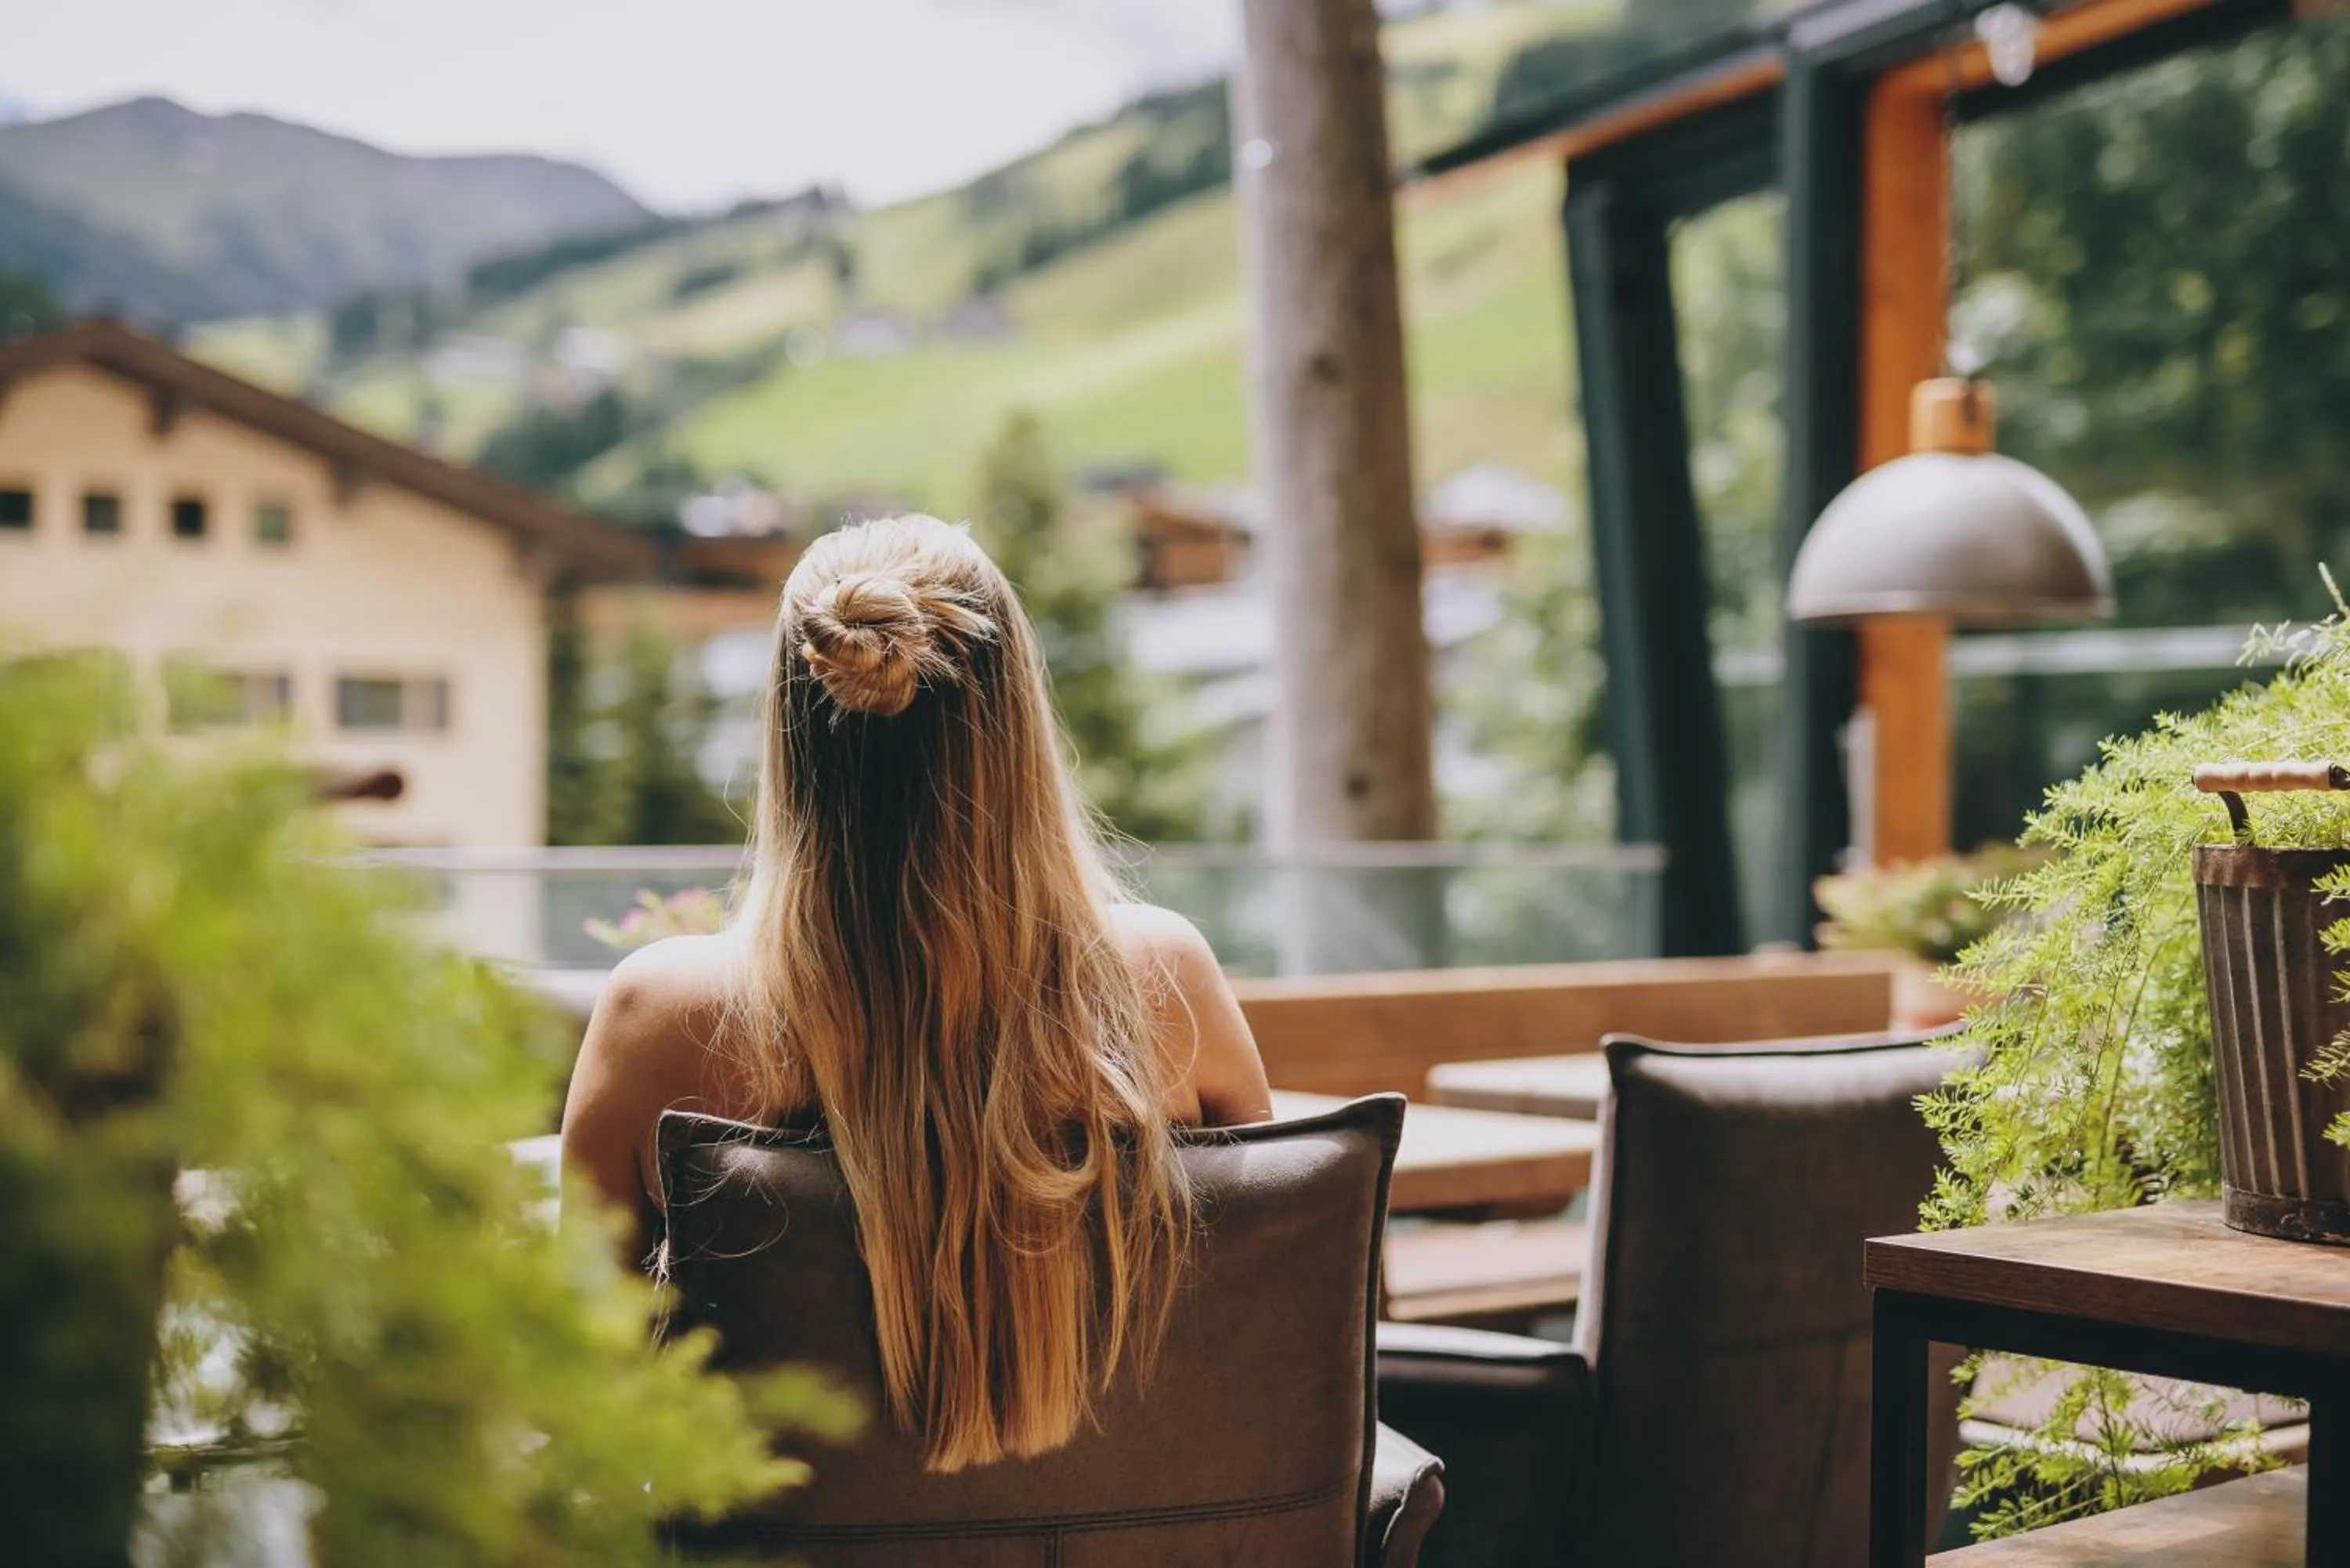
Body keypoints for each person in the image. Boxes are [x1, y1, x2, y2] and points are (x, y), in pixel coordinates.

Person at [562, 512, 1273, 1472]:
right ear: (1017, 726)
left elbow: (585, 1371)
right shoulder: (1167, 980)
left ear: (789, 736)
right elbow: (1259, 1312)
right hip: (1141, 1533)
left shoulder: (660, 1014)